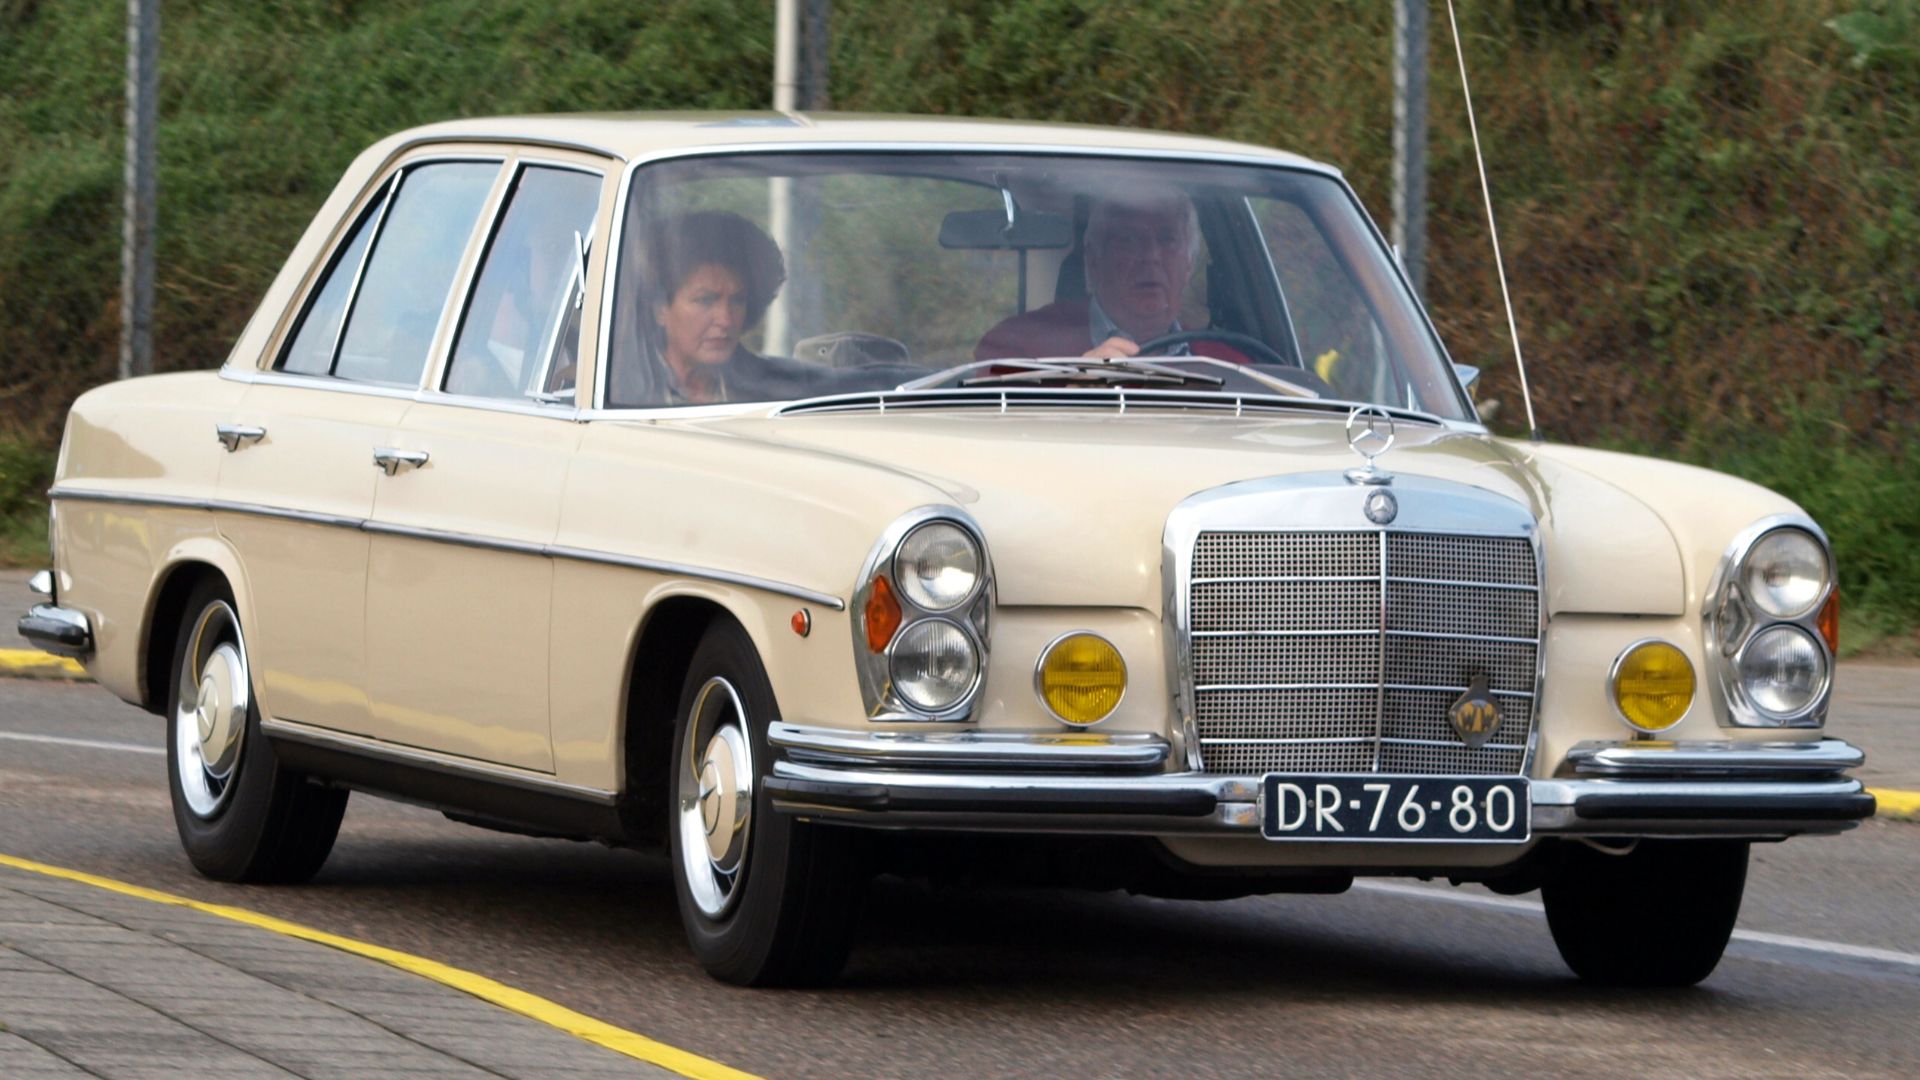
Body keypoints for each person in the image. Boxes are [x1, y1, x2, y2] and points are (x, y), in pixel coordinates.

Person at [975, 189, 1243, 363]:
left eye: (1167, 240)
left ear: (1189, 264)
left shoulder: (1229, 363)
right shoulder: (1019, 346)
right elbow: (991, 435)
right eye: (1128, 239)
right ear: (1093, 261)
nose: (1150, 255)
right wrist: (1071, 390)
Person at [609, 210, 827, 406]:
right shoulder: (617, 391)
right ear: (660, 309)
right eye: (705, 300)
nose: (726, 319)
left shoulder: (780, 392)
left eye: (737, 300)